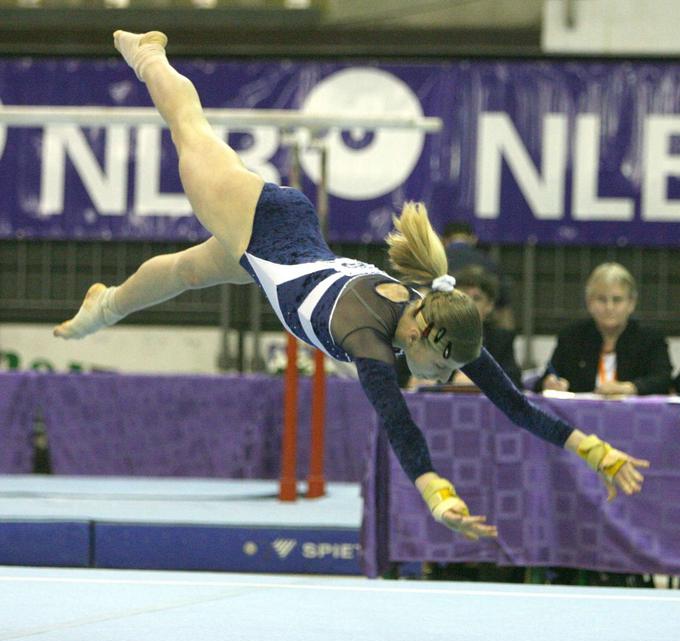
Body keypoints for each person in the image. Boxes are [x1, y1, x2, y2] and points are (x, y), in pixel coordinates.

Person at [55, 30, 649, 542]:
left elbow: (514, 403)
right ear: (420, 333)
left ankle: (104, 306)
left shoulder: (440, 316)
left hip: (281, 249)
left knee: (188, 272)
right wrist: (438, 495)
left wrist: (595, 450)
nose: (442, 380)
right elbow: (398, 422)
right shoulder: (366, 336)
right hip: (259, 223)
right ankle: (148, 54)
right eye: (441, 369)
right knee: (189, 131)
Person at [536, 263, 672, 395]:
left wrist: (630, 388)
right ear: (589, 302)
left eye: (617, 300)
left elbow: (663, 381)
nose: (609, 307)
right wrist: (550, 384)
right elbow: (547, 377)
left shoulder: (651, 338)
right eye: (601, 299)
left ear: (631, 303)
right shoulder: (571, 337)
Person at [442, 221, 514, 330]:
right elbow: (504, 310)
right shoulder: (489, 263)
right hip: (482, 332)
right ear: (474, 239)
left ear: (444, 241)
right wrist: (506, 340)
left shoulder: (434, 264)